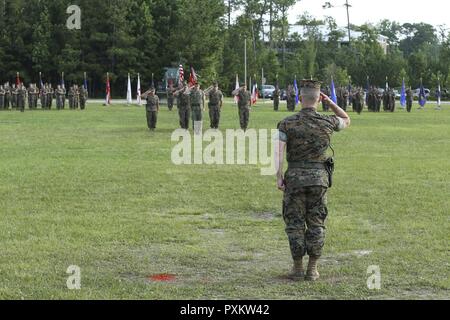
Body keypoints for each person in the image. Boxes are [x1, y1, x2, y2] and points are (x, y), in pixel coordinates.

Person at [276, 79, 351, 282]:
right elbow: (346, 118)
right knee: (316, 223)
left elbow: (279, 152)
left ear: (300, 98)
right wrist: (331, 103)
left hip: (294, 179)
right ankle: (312, 269)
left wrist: (278, 175)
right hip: (319, 180)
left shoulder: (287, 123)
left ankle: (297, 268)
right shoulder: (328, 121)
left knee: (295, 224)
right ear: (319, 99)